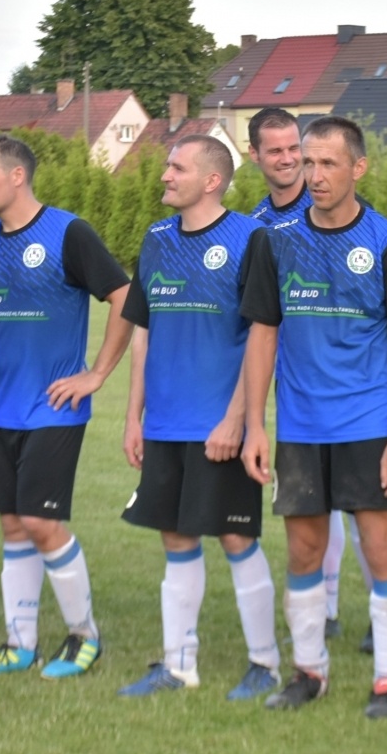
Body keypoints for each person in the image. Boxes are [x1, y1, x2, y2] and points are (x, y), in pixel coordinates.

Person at [240, 115, 387, 719]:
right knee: (303, 549)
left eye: (327, 163)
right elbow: (263, 335)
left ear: (358, 168)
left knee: (381, 546)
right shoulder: (275, 241)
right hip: (301, 425)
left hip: (370, 424)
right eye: (308, 161)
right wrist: (254, 425)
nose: (314, 174)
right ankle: (309, 672)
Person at [0, 135, 131, 679]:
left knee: (40, 520)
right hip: (3, 409)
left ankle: (85, 635)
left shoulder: (68, 232)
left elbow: (125, 297)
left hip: (54, 407)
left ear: (17, 177)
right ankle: (19, 645)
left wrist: (96, 373)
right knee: (13, 525)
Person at [118, 135, 282, 701]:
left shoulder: (250, 239)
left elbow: (262, 335)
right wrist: (134, 416)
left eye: (177, 167)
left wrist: (238, 419)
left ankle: (265, 663)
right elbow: (143, 333)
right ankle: (179, 664)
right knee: (176, 537)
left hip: (218, 423)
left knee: (236, 537)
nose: (165, 175)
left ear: (212, 181)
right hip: (164, 423)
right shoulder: (157, 239)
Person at [246, 106, 371, 647]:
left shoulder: (336, 206)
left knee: (363, 511)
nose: (289, 160)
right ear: (255, 155)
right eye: (275, 150)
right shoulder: (256, 224)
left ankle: (374, 612)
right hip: (295, 389)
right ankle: (327, 610)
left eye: (294, 149)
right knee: (314, 508)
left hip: (352, 389)